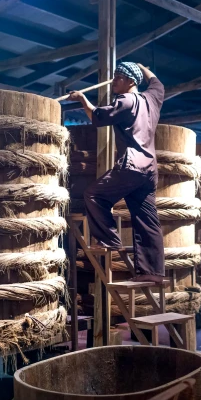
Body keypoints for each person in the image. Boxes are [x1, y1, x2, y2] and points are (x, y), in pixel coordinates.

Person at [67, 62, 165, 284]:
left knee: (94, 195)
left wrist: (82, 98)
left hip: (131, 166)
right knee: (147, 219)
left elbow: (97, 117)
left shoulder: (126, 101)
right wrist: (142, 67)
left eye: (119, 76)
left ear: (131, 81)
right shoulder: (152, 99)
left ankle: (109, 240)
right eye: (114, 76)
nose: (114, 80)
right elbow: (156, 82)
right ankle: (153, 272)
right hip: (149, 169)